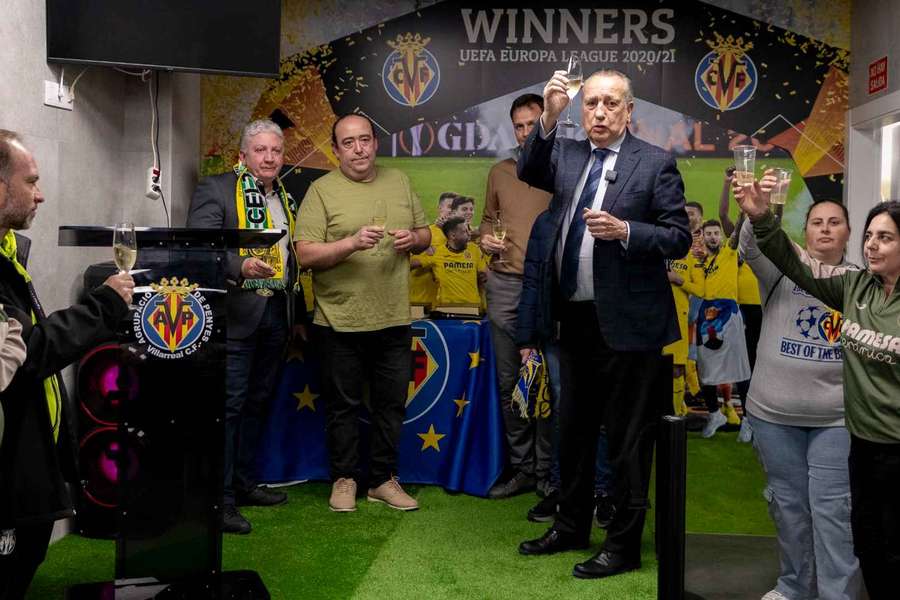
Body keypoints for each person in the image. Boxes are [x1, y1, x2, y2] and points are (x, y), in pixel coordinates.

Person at [515, 69, 691, 579]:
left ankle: (623, 545)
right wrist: (549, 114)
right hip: (575, 319)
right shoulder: (567, 155)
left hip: (632, 327)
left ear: (628, 111)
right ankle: (570, 526)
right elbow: (529, 167)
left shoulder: (654, 163)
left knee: (627, 441)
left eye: (610, 104)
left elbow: (678, 236)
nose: (599, 112)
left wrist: (627, 231)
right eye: (590, 102)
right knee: (573, 432)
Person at [735, 178, 900, 600]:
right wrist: (761, 208)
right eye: (816, 222)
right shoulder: (818, 277)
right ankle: (795, 586)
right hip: (777, 416)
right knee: (791, 509)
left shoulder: (858, 282)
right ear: (803, 230)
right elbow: (764, 249)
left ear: (846, 233)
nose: (825, 229)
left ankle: (837, 594)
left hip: (841, 422)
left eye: (837, 223)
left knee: (836, 515)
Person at [0, 130, 133, 598]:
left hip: (26, 462)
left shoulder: (8, 251)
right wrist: (104, 307)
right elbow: (27, 354)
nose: (40, 194)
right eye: (31, 181)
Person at [295, 113, 430, 513]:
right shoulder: (321, 191)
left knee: (391, 406)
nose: (359, 149)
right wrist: (351, 243)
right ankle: (344, 479)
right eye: (349, 143)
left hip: (393, 318)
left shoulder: (399, 181)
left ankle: (383, 481)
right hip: (339, 320)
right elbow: (305, 254)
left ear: (375, 143)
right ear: (336, 150)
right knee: (343, 407)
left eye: (365, 140)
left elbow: (424, 234)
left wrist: (413, 240)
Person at [187, 119, 306, 534]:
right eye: (260, 150)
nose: (269, 157)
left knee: (258, 402)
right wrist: (239, 267)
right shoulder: (216, 188)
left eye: (276, 150)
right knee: (230, 408)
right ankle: (218, 501)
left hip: (275, 313)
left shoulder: (284, 197)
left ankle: (244, 482)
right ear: (242, 155)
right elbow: (197, 251)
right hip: (233, 316)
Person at [516, 210, 616, 527]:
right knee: (564, 414)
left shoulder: (610, 211)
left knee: (605, 414)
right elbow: (532, 280)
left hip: (607, 330)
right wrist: (526, 338)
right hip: (559, 332)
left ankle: (603, 491)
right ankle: (563, 490)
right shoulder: (546, 220)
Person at [478, 93, 552, 499]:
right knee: (512, 384)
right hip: (505, 284)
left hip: (548, 288)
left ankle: (547, 471)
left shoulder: (562, 168)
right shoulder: (500, 172)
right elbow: (488, 221)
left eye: (531, 125)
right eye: (519, 126)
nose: (525, 133)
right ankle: (523, 469)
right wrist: (486, 239)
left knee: (548, 384)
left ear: (546, 125)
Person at [696, 219, 751, 437]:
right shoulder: (698, 260)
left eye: (716, 233)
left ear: (721, 236)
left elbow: (737, 232)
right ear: (702, 236)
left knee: (740, 368)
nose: (712, 237)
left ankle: (748, 419)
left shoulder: (729, 252)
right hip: (706, 315)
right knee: (705, 368)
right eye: (708, 233)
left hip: (729, 312)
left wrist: (742, 214)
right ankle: (714, 413)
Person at [413, 217, 487, 311]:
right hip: (446, 308)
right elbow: (412, 264)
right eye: (464, 232)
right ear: (453, 236)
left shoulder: (474, 249)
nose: (469, 234)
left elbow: (484, 274)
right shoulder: (437, 252)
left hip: (473, 308)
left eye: (468, 230)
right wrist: (421, 247)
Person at [409, 192, 458, 311]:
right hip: (423, 303)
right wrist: (430, 259)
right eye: (450, 207)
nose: (453, 211)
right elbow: (407, 264)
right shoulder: (424, 235)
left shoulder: (466, 237)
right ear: (439, 208)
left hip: (453, 305)